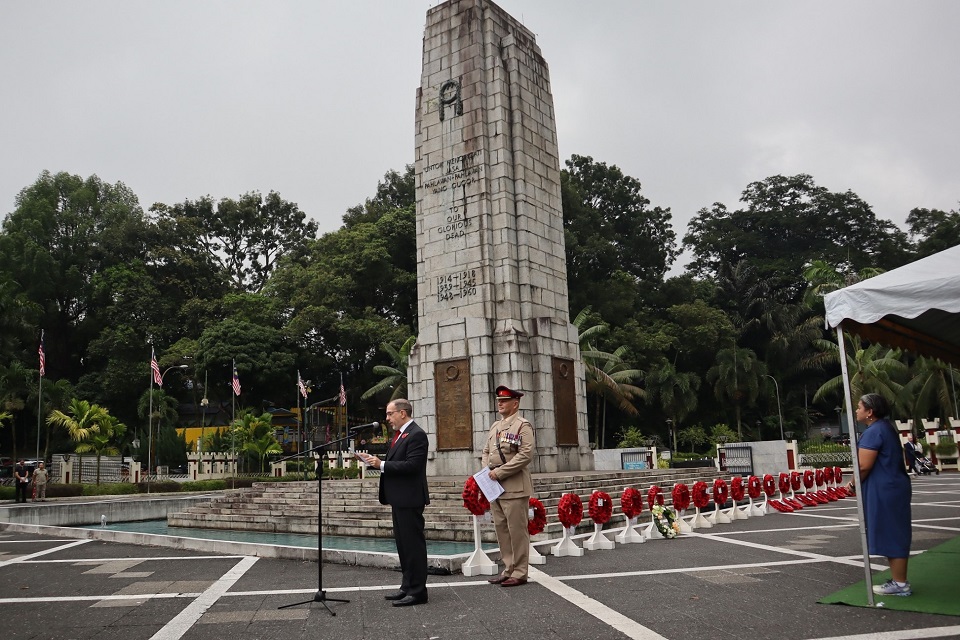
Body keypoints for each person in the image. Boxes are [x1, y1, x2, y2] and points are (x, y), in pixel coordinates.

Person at [356, 399, 430, 607]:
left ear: (403, 413)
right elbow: (397, 461)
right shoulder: (401, 435)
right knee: (403, 545)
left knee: (413, 545)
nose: (387, 419)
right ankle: (407, 586)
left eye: (390, 414)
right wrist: (374, 461)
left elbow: (413, 466)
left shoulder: (417, 434)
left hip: (410, 498)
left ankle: (418, 591)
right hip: (399, 498)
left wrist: (382, 464)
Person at [847, 393, 912, 596]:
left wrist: (851, 485)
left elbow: (863, 466)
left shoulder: (874, 431)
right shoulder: (883, 428)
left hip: (886, 491)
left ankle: (900, 584)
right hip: (891, 488)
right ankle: (898, 580)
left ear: (869, 412)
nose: (856, 410)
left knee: (893, 533)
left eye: (859, 407)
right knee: (893, 532)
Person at [482, 385, 535, 587]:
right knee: (502, 530)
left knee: (517, 530)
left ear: (515, 403)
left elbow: (525, 455)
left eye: (504, 401)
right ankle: (508, 568)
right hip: (495, 487)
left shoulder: (523, 426)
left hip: (514, 486)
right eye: (498, 401)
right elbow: (486, 451)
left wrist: (499, 472)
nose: (500, 404)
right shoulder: (495, 426)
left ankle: (520, 572)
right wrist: (486, 469)